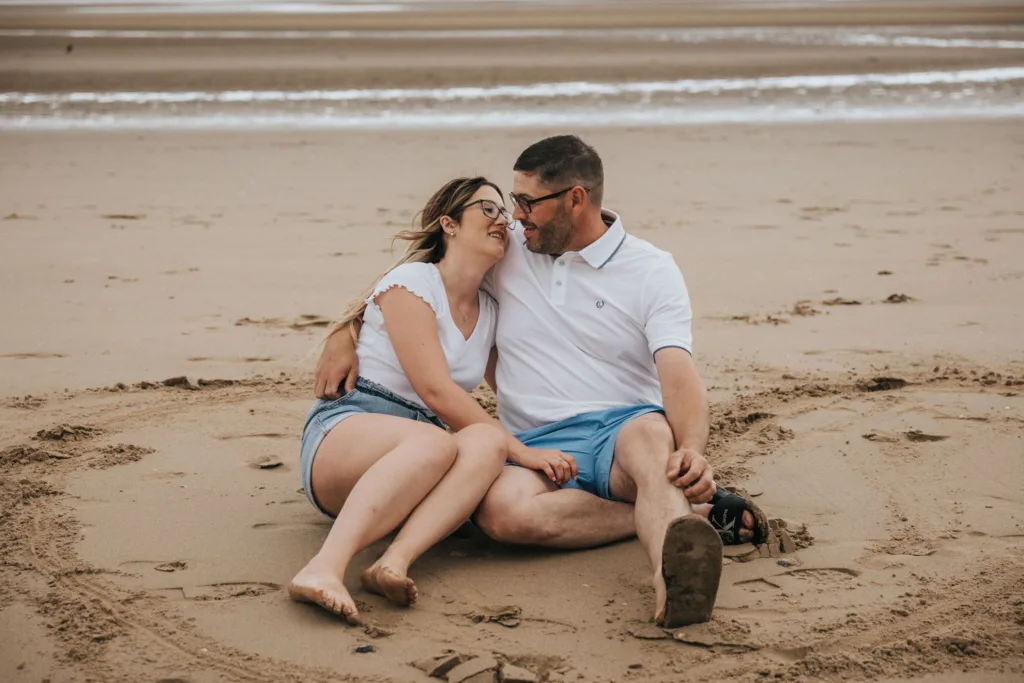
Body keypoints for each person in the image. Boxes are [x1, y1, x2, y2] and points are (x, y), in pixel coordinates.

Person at [315, 136, 770, 627]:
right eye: (514, 201)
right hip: (534, 444)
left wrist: (695, 448)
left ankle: (670, 584)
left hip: (622, 428)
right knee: (500, 516)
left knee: (652, 445)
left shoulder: (650, 269)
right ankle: (689, 514)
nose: (516, 215)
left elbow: (679, 374)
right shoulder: (508, 250)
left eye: (528, 202)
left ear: (575, 199)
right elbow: (417, 279)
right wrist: (342, 332)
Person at [290, 177, 581, 624]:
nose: (501, 219)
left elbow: (518, 387)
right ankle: (322, 569)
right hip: (349, 428)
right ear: (449, 224)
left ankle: (393, 562)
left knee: (484, 440)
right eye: (487, 209)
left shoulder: (491, 312)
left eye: (504, 213)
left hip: (416, 455)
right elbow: (435, 391)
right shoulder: (413, 281)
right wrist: (523, 451)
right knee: (443, 441)